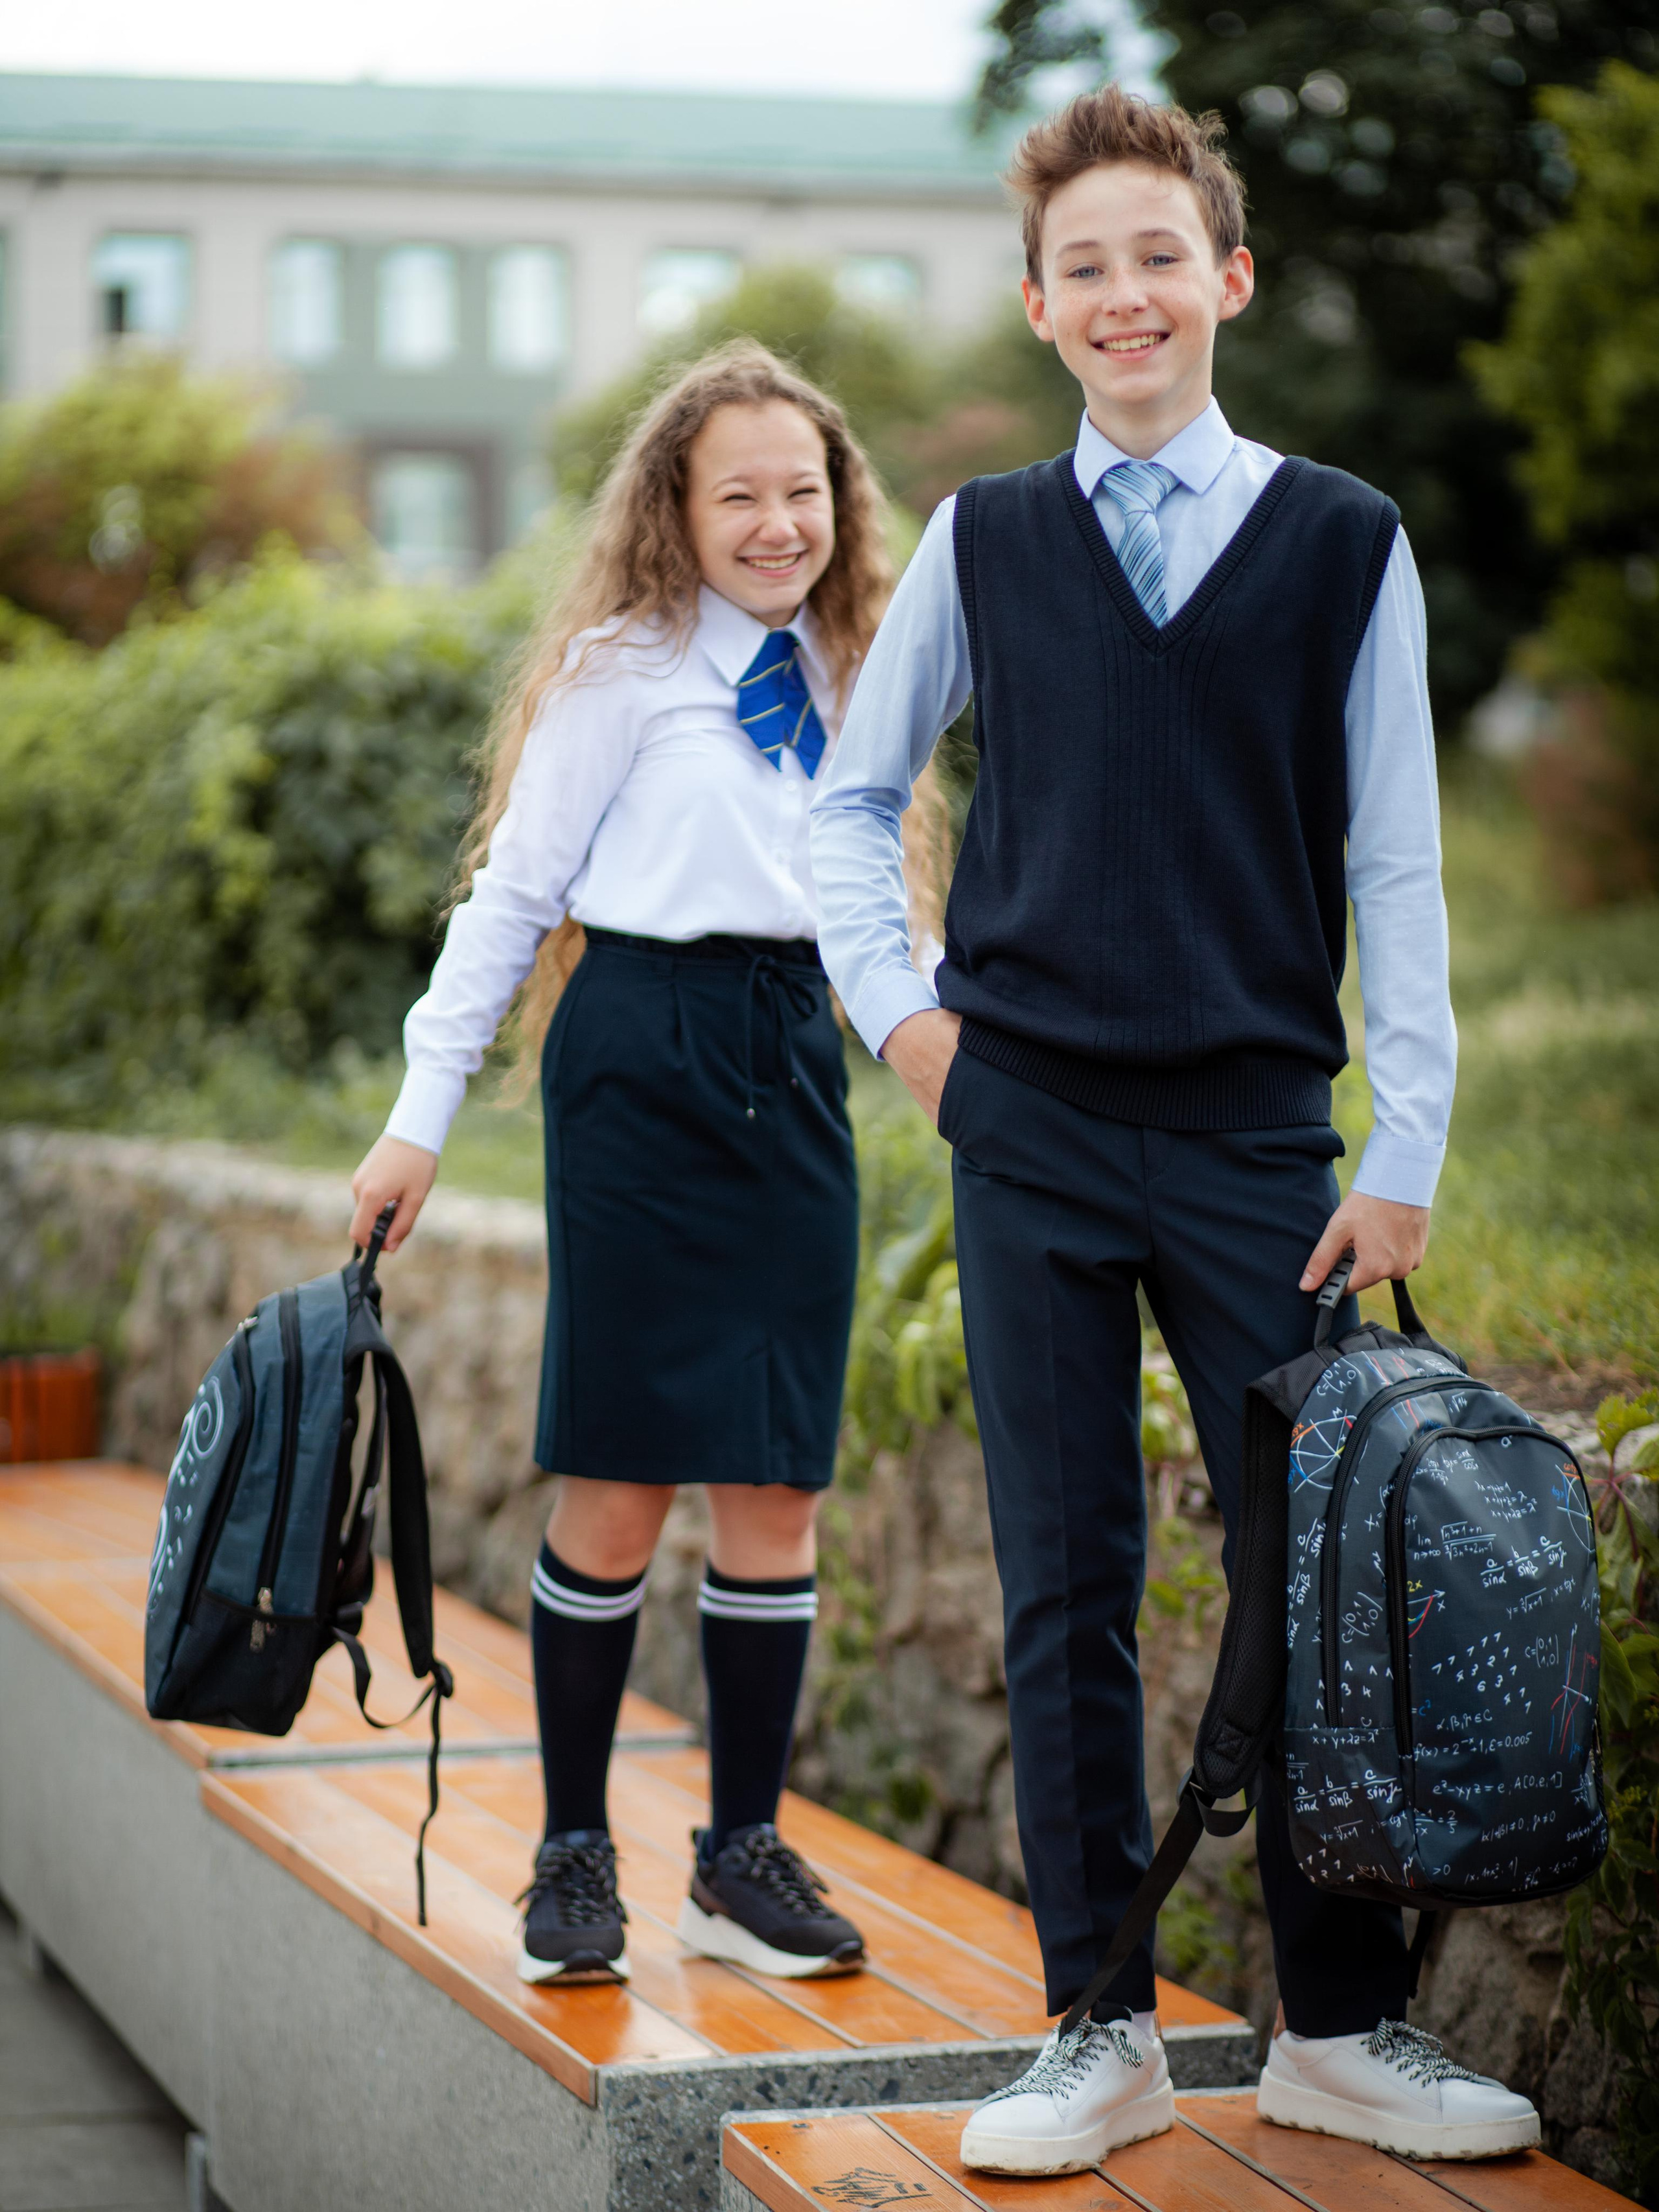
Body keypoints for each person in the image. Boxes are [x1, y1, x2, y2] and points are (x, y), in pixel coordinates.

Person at [811, 89, 1541, 2175]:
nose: (1124, 294)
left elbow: (1396, 865)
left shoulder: (1343, 539)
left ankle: (1335, 2023)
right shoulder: (979, 539)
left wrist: (1407, 1135)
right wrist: (914, 1026)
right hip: (1023, 1121)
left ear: (1227, 280)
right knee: (1063, 1582)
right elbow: (851, 815)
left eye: (1160, 255)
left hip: (1256, 1144)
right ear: (1040, 309)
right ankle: (1098, 2022)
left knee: (1310, 1568)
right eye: (1084, 266)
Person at [350, 342, 937, 1989]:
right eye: (735, 493)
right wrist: (420, 1110)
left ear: (840, 503)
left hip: (786, 1062)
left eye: (800, 491)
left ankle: (736, 1856)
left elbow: (885, 913)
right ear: (676, 511)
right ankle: (571, 1853)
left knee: (775, 1477)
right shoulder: (621, 666)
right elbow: (514, 894)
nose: (774, 522)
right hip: (638, 1054)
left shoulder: (857, 672)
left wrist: (967, 1053)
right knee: (615, 1476)